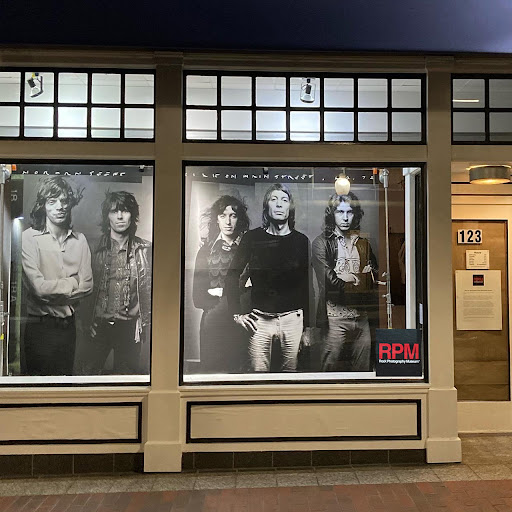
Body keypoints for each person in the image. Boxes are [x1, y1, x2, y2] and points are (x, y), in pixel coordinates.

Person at [225, 183, 312, 373]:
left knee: (290, 377)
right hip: (260, 320)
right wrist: (237, 314)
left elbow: (306, 286)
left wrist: (307, 327)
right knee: (258, 376)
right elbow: (231, 276)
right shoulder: (252, 238)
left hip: (293, 319)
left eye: (284, 200)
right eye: (274, 199)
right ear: (267, 206)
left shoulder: (301, 241)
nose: (279, 204)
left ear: (290, 207)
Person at [21, 176, 93, 375]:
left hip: (68, 328)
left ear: (70, 204)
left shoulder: (80, 240)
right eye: (52, 201)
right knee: (38, 388)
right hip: (39, 328)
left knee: (64, 384)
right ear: (43, 205)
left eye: (64, 201)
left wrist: (51, 294)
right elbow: (38, 289)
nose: (60, 207)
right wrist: (73, 281)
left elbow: (88, 286)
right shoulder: (29, 238)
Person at [312, 192, 378, 372]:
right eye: (340, 212)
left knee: (363, 370)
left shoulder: (363, 243)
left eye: (350, 212)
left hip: (361, 317)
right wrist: (359, 281)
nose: (346, 217)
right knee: (328, 370)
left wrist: (353, 278)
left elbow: (374, 278)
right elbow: (330, 282)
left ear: (355, 214)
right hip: (334, 319)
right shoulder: (321, 243)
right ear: (332, 214)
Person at [88, 191, 152, 374]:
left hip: (129, 328)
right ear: (107, 216)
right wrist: (86, 322)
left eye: (125, 210)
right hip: (98, 326)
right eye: (114, 211)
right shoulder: (93, 247)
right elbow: (83, 288)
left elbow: (155, 291)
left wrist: (143, 319)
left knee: (127, 380)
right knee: (89, 377)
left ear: (133, 215)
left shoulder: (146, 250)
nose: (120, 216)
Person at [192, 195, 250, 373]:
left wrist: (220, 292)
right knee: (211, 373)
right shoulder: (205, 251)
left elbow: (256, 289)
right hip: (213, 323)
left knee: (239, 374)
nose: (228, 221)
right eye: (223, 216)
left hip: (241, 322)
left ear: (239, 219)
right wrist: (232, 294)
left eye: (233, 216)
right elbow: (198, 297)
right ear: (216, 219)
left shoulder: (249, 249)